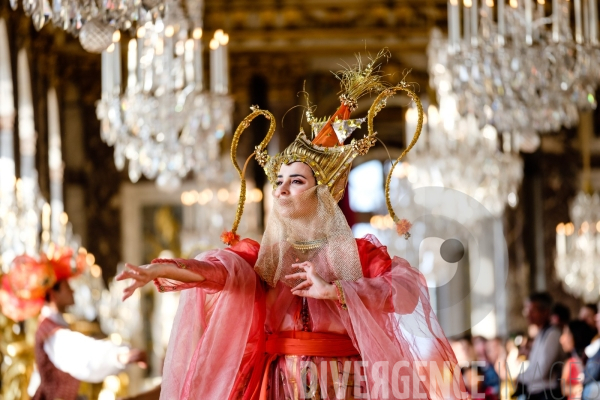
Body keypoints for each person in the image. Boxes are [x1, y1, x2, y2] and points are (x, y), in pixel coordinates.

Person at [118, 51, 468, 400]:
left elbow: (407, 292)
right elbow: (217, 272)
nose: (282, 188)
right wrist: (163, 268)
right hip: (278, 386)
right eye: (279, 181)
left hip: (344, 385)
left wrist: (336, 291)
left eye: (296, 181)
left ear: (324, 193)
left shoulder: (360, 256)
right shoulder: (265, 259)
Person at [0, 251, 146, 400]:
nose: (72, 290)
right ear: (53, 294)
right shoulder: (50, 331)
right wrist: (119, 356)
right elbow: (80, 355)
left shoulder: (54, 325)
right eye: (66, 286)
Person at [515, 292, 565, 400]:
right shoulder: (541, 333)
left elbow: (542, 370)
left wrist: (520, 377)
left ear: (545, 312)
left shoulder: (553, 334)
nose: (528, 314)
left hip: (547, 394)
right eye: (527, 311)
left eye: (533, 311)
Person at [560, 320, 596, 400]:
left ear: (576, 334)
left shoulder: (591, 356)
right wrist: (578, 388)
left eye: (566, 334)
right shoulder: (570, 362)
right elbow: (564, 387)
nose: (562, 339)